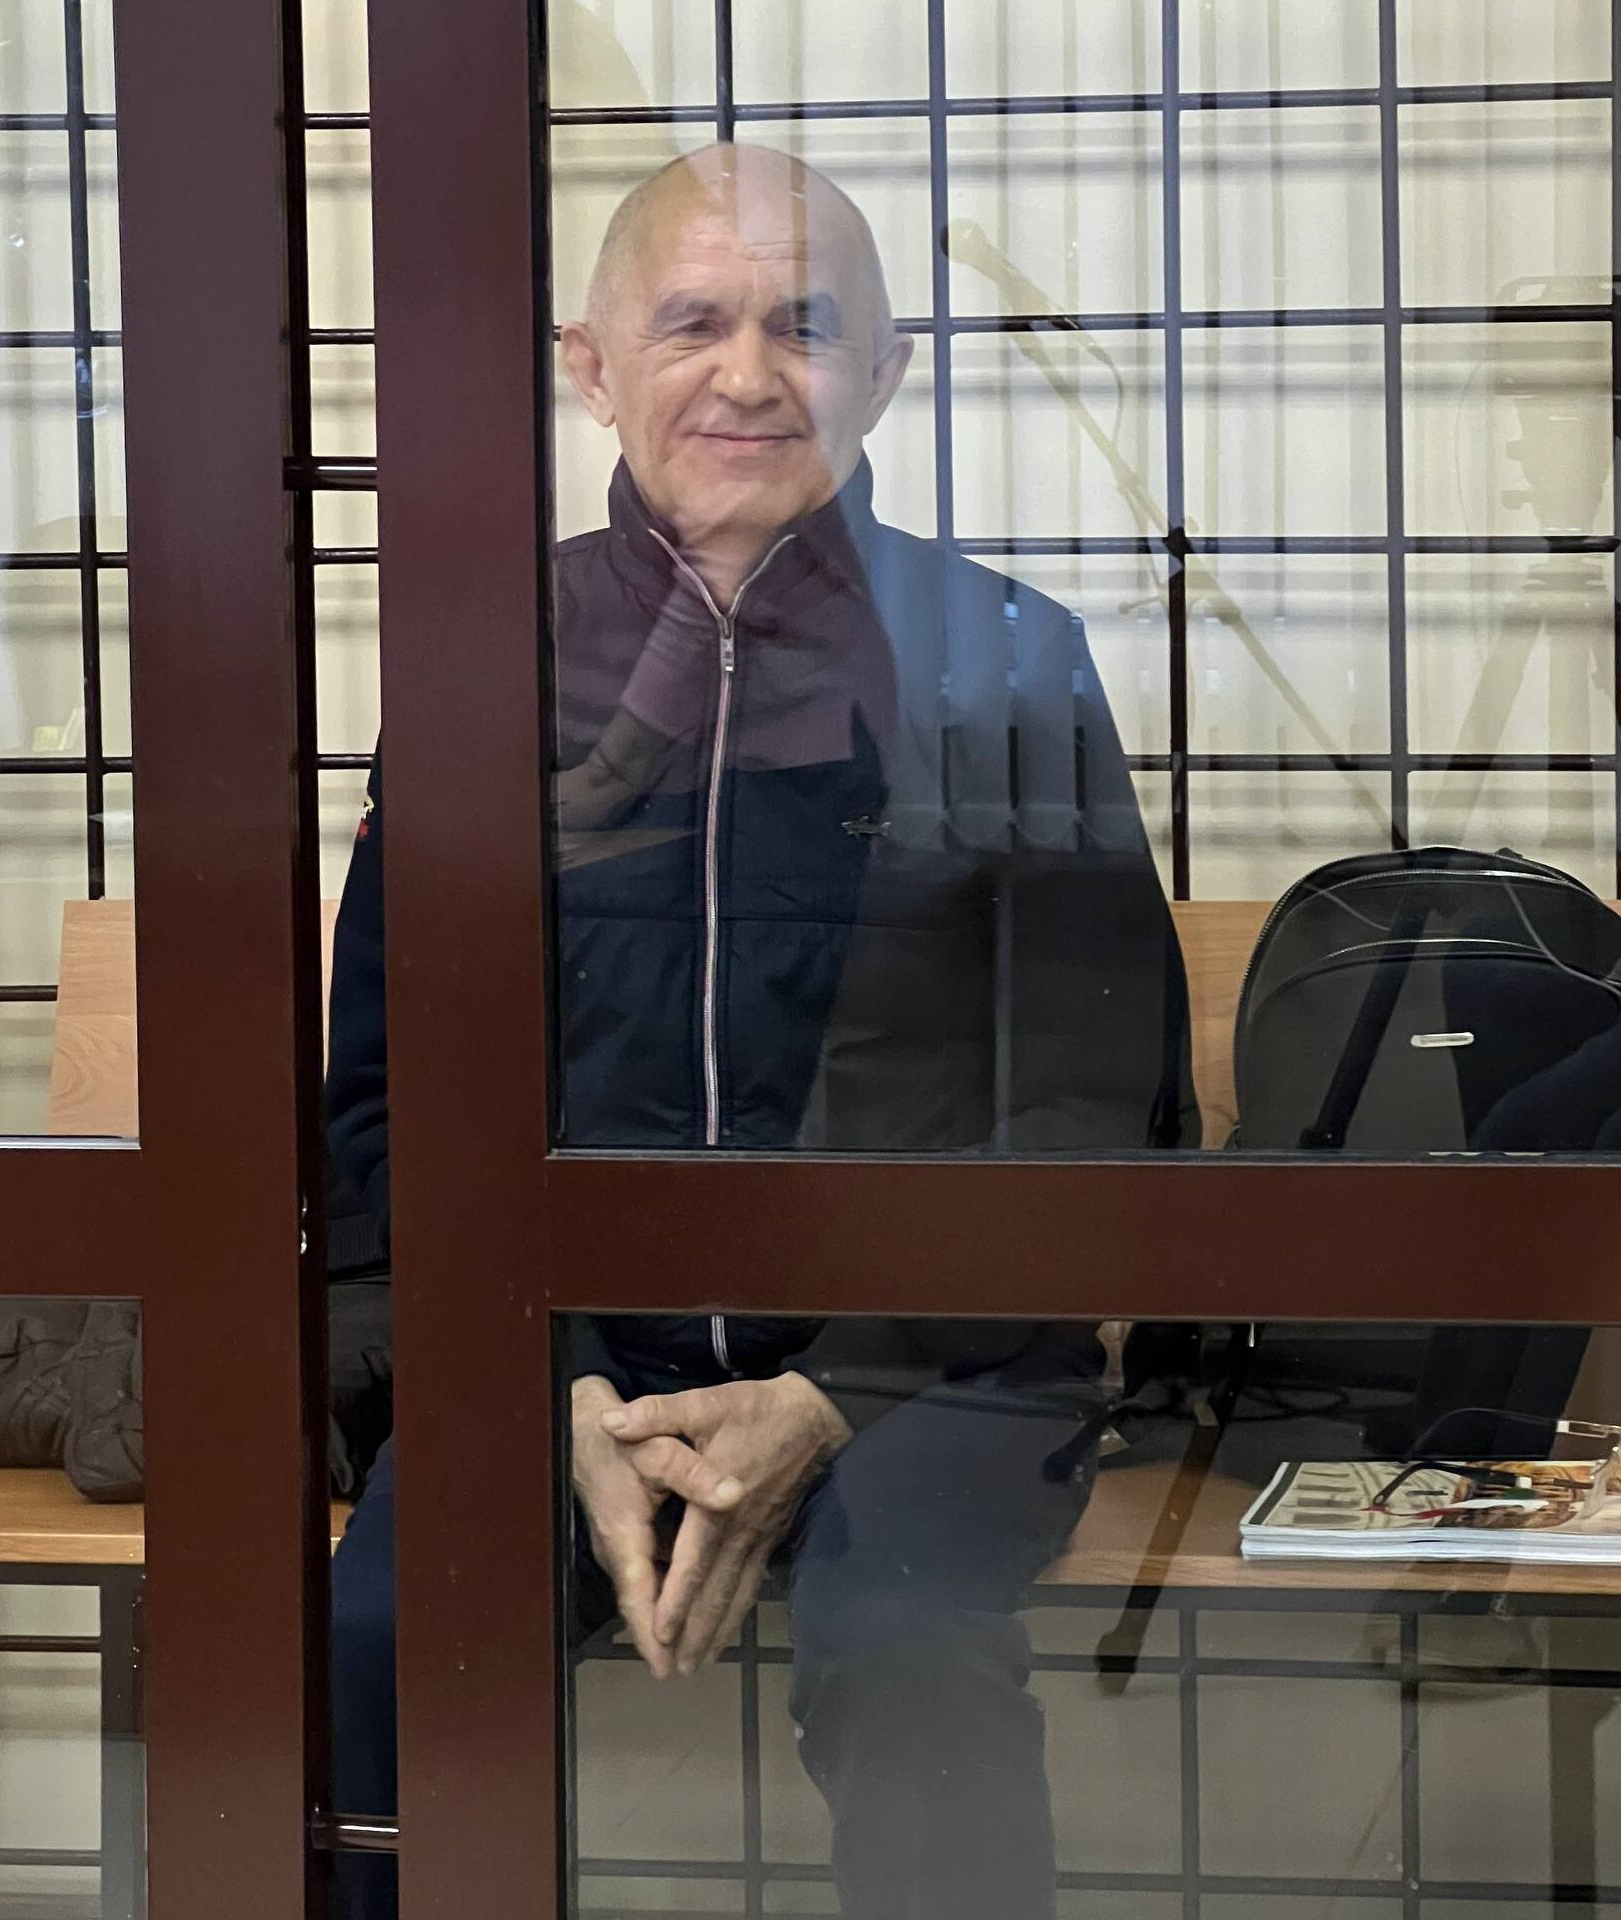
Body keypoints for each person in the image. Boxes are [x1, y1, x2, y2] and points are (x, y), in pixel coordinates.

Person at [323, 142, 1194, 1920]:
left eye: (805, 326)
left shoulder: (1000, 660)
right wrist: (559, 1381)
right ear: (591, 366)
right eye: (693, 323)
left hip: (936, 1364)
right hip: (549, 1350)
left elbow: (1095, 1095)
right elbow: (385, 1101)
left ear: (886, 370)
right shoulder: (484, 666)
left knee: (908, 1645)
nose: (749, 374)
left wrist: (829, 1389)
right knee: (381, 1631)